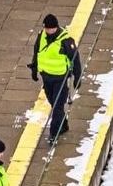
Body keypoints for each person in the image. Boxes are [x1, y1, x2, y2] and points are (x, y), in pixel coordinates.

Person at [27, 13, 81, 144]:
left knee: (57, 106)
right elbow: (37, 53)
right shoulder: (42, 36)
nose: (49, 31)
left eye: (51, 28)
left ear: (56, 27)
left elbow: (76, 60)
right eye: (47, 28)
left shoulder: (66, 41)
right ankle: (63, 124)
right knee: (53, 102)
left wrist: (77, 78)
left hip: (60, 78)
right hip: (46, 77)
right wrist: (34, 69)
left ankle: (53, 134)